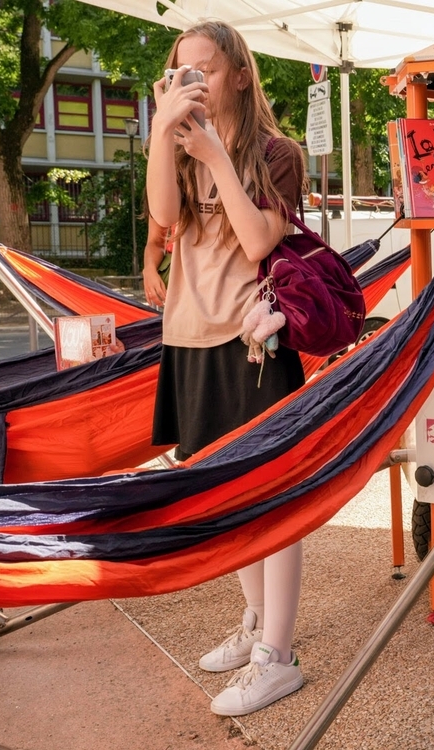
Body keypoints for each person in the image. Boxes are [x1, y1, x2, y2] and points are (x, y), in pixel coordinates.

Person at [145, 21, 308, 717]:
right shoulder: (180, 146)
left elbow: (256, 240)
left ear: (238, 73)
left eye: (204, 71)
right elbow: (163, 217)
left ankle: (278, 656)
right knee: (227, 494)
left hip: (255, 343)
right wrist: (162, 134)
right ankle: (252, 625)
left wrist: (214, 156)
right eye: (181, 73)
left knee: (274, 497)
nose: (194, 84)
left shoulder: (276, 153)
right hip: (188, 338)